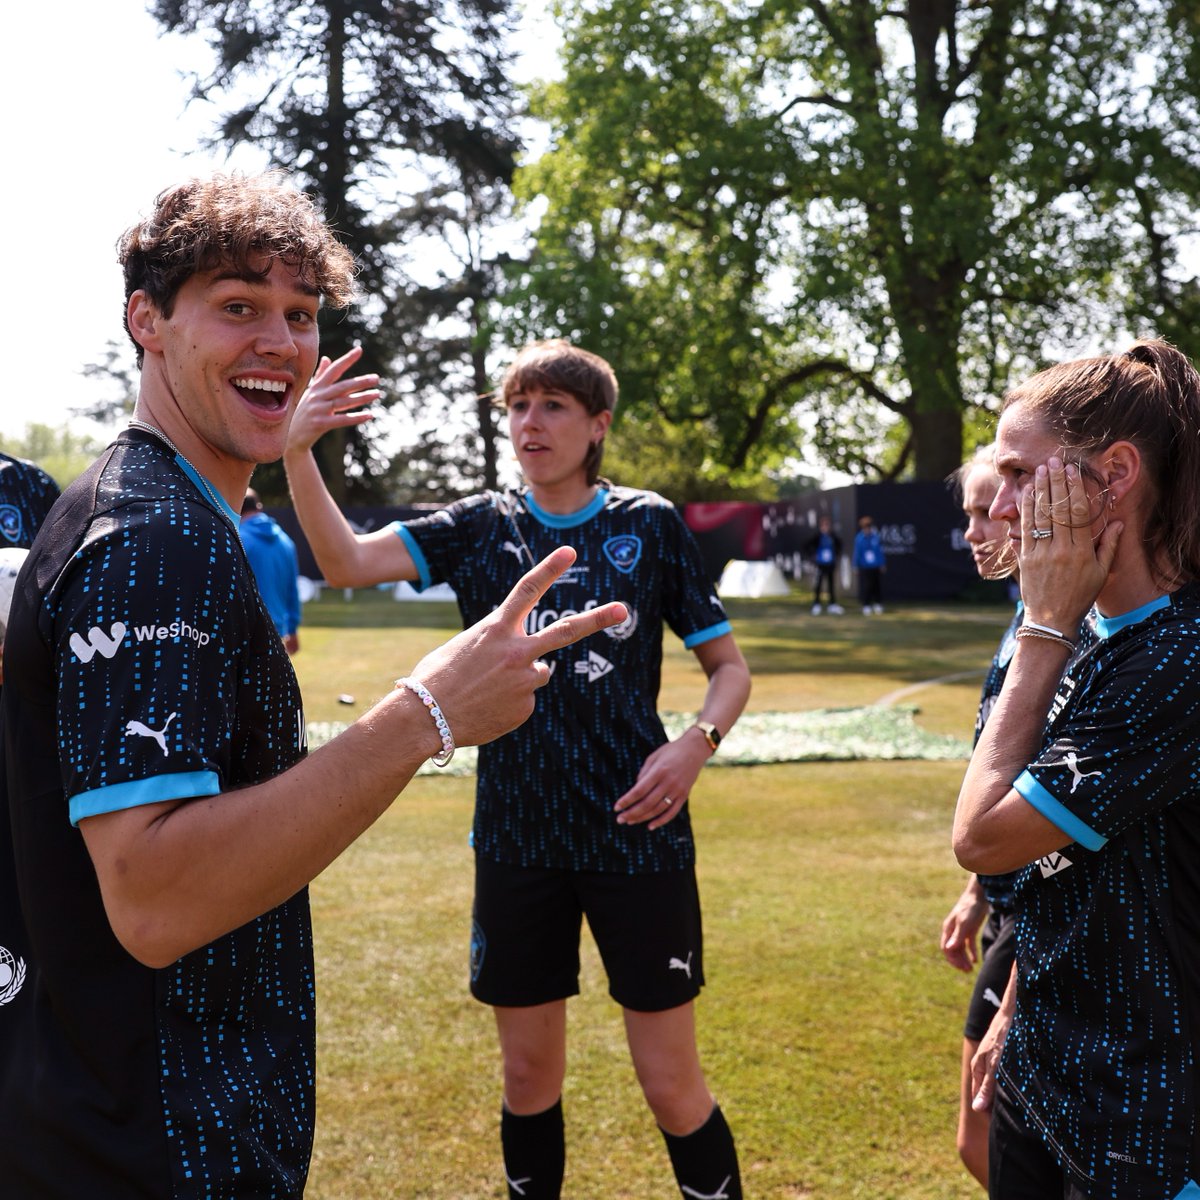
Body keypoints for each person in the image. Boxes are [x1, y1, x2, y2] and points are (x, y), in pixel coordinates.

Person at [0, 173, 626, 1199]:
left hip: (120, 1115)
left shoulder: (164, 515)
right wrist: (426, 713)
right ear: (145, 321)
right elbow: (153, 899)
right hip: (149, 1143)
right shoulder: (154, 536)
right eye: (236, 306)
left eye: (299, 315)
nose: (281, 342)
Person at [284, 338, 752, 1200]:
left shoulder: (648, 524)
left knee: (671, 1085)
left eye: (553, 407)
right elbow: (345, 562)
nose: (529, 423)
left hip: (637, 836)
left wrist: (696, 744)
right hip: (517, 840)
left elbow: (730, 669)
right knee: (529, 1080)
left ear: (597, 425)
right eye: (517, 407)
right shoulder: (478, 527)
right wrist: (299, 449)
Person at [953, 338, 1200, 1199]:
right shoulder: (1065, 626)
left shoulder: (1175, 660)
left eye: (1021, 474)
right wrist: (1014, 1007)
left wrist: (1042, 630)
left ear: (1117, 472)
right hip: (1043, 1066)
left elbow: (983, 836)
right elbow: (1060, 875)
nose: (1001, 502)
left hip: (1144, 1109)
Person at [939, 445, 1022, 1187]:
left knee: (985, 1137)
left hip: (1045, 922)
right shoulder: (1027, 613)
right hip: (1009, 904)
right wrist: (976, 894)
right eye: (969, 511)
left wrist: (1022, 988)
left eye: (991, 505)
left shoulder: (1077, 634)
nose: (977, 527)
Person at [240, 486, 302, 653]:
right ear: (259, 507)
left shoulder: (235, 539)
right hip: (277, 631)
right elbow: (292, 589)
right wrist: (293, 629)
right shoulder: (286, 542)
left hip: (242, 632)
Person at [805, 514, 843, 614]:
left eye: (827, 525)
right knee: (818, 584)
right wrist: (813, 556)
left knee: (831, 584)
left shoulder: (832, 536)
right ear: (821, 526)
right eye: (823, 525)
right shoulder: (817, 536)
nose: (825, 527)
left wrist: (836, 556)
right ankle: (816, 604)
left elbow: (839, 546)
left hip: (830, 564)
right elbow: (807, 546)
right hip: (820, 564)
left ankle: (832, 604)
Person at [853, 514, 885, 613]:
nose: (867, 529)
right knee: (868, 585)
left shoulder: (875, 537)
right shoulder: (859, 538)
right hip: (865, 566)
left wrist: (882, 563)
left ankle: (878, 603)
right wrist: (855, 566)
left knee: (876, 585)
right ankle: (866, 605)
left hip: (875, 565)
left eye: (869, 527)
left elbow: (879, 551)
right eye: (865, 527)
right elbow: (857, 553)